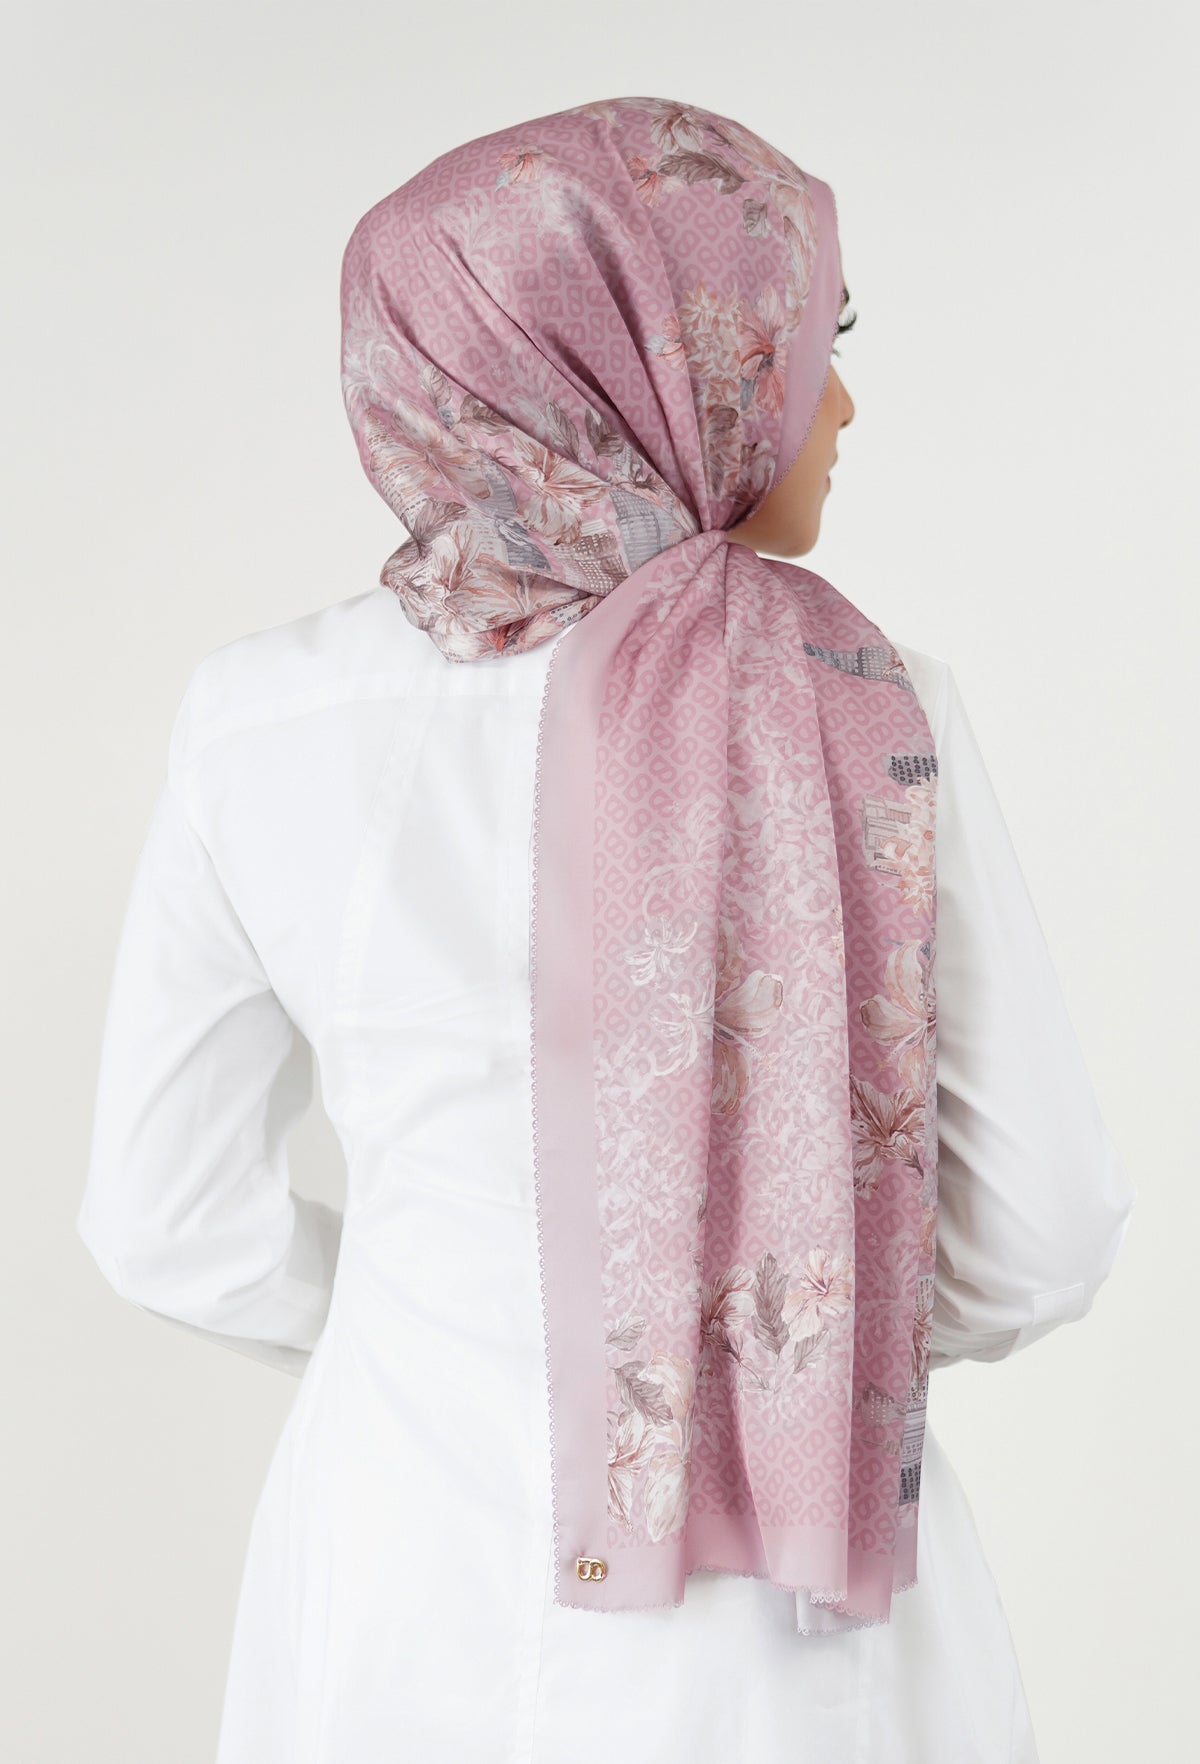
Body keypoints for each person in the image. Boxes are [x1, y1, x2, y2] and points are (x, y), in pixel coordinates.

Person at [76, 96, 1136, 1762]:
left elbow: (163, 1222)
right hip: (786, 1636)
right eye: (805, 344)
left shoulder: (259, 721)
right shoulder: (871, 699)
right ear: (641, 358)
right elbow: (1042, 1232)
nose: (838, 401)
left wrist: (455, 1322)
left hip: (394, 1592)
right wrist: (783, 1333)